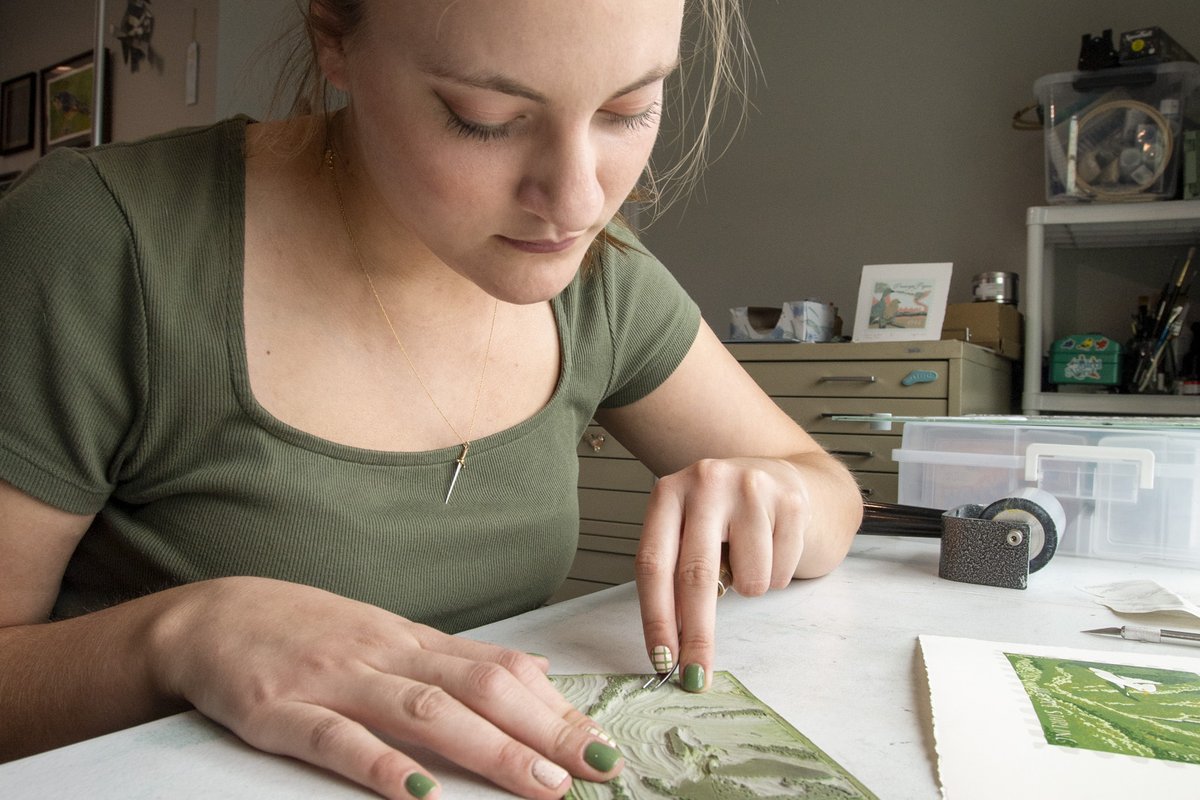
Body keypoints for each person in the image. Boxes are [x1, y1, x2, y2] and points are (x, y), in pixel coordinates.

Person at [0, 1, 863, 798]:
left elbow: (828, 490)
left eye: (629, 108)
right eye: (485, 117)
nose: (578, 201)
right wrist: (179, 636)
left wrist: (777, 493)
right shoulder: (97, 241)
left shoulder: (600, 276)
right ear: (334, 35)